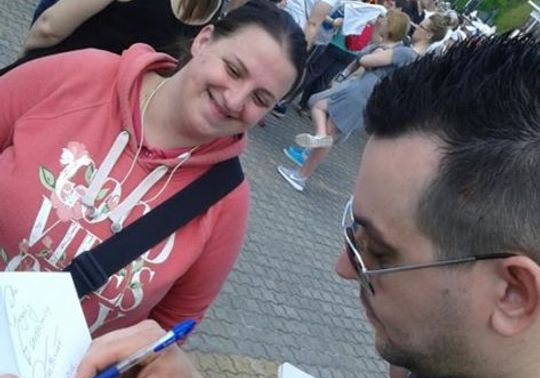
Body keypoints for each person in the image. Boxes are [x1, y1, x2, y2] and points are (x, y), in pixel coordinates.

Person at [2, 33, 540, 378]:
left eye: (377, 251)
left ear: (513, 293)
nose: (342, 268)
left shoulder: (226, 200)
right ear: (202, 41)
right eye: (352, 229)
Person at [0, 0, 307, 337]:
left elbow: (167, 332)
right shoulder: (82, 75)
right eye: (233, 70)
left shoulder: (225, 201)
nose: (235, 101)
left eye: (260, 99)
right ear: (203, 40)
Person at [278, 9, 414, 192]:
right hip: (360, 90)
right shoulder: (390, 47)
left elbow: (365, 61)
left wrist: (372, 50)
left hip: (362, 93)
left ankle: (301, 176)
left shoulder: (399, 51)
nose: (380, 21)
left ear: (391, 26)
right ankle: (316, 145)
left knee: (329, 130)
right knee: (319, 106)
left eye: (385, 20)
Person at [0, 0, 226, 75]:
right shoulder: (214, 6)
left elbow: (49, 28)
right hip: (100, 113)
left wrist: (23, 58)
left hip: (55, 75)